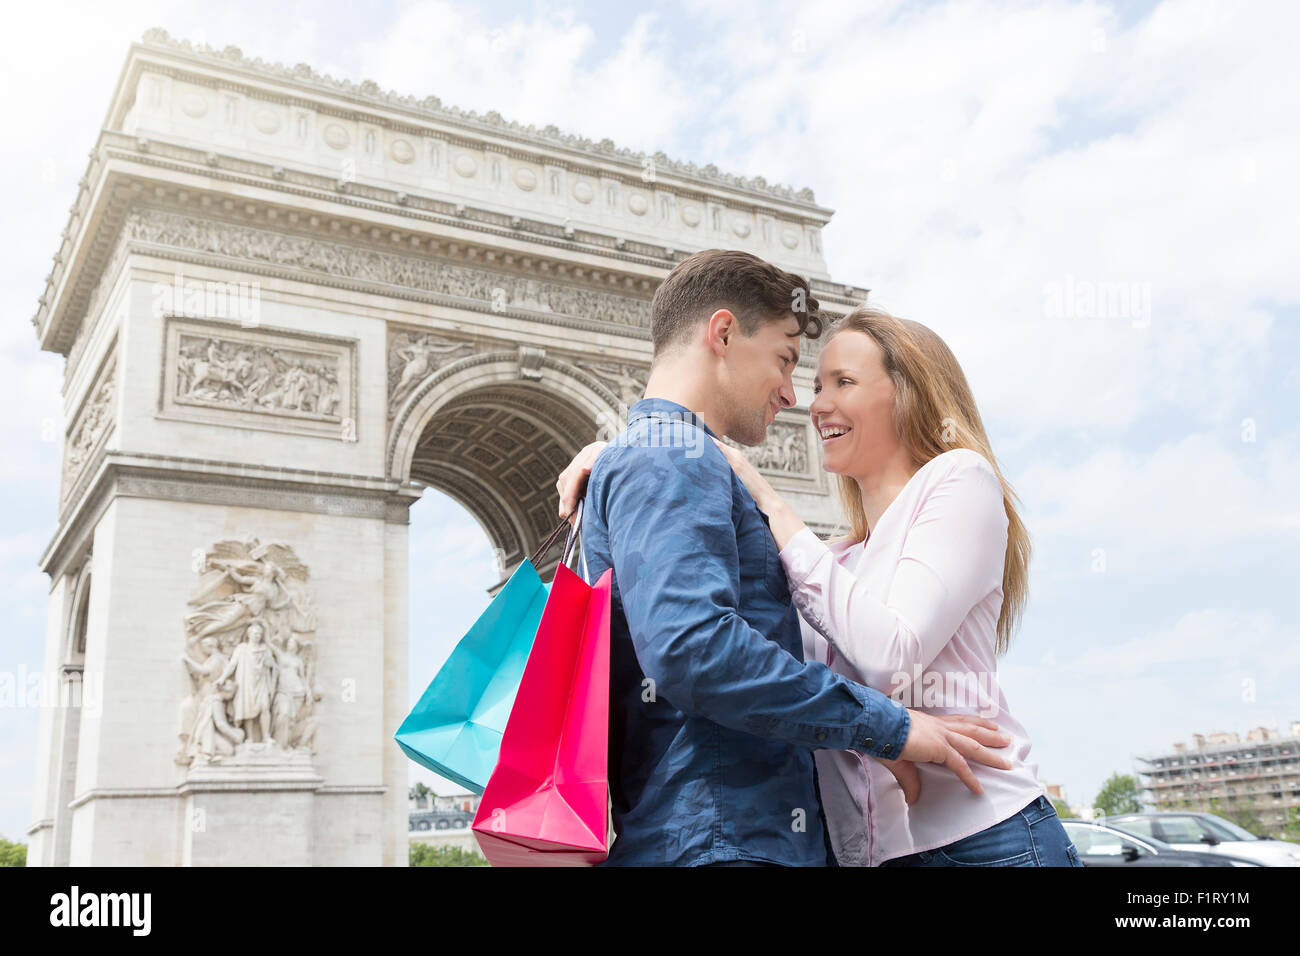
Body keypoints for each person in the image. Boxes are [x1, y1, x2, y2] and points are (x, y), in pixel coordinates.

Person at [555, 249, 1013, 867]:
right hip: (725, 838)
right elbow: (695, 649)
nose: (793, 395)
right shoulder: (672, 457)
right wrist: (894, 728)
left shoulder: (657, 457)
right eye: (785, 359)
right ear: (722, 334)